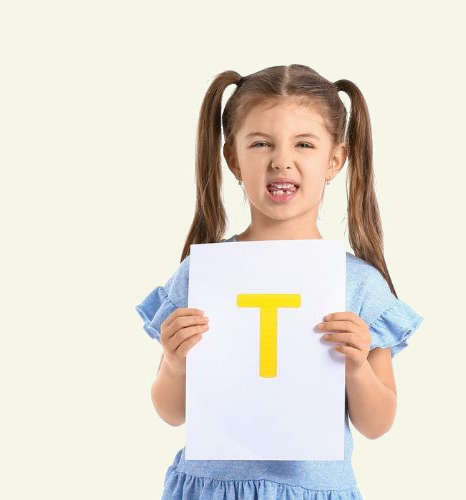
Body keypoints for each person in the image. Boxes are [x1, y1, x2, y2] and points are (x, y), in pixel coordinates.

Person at [136, 64, 422, 499]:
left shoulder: (359, 284)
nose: (281, 160)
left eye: (304, 144)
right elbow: (171, 412)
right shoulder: (202, 275)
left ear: (334, 160)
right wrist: (175, 362)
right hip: (212, 490)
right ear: (233, 158)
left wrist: (357, 366)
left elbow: (377, 424)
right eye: (261, 143)